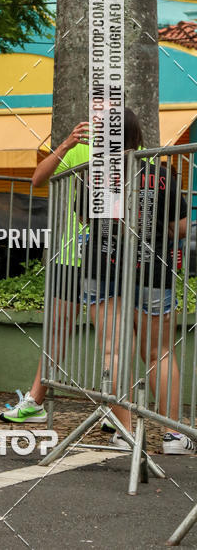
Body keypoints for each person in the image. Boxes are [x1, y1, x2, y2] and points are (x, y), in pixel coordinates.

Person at [84, 108, 192, 455]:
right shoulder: (163, 174)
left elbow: (86, 219)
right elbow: (179, 228)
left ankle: (125, 432)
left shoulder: (92, 174)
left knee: (113, 351)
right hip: (152, 269)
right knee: (159, 353)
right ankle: (175, 435)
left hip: (103, 268)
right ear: (136, 134)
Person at [0, 120, 89, 425]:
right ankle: (35, 401)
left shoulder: (135, 149)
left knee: (115, 338)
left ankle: (118, 412)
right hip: (73, 255)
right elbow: (38, 179)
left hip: (114, 258)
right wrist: (66, 144)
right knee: (57, 330)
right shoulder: (81, 147)